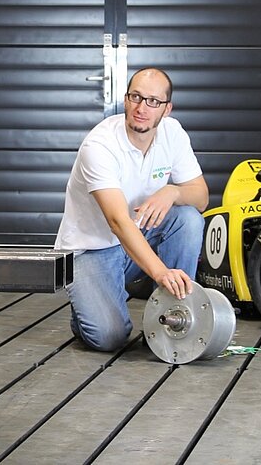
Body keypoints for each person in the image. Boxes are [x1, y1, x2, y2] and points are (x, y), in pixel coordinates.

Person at [55, 68, 208, 352]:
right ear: (125, 100)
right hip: (91, 250)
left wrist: (172, 191)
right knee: (110, 337)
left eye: (153, 101)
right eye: (135, 97)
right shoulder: (100, 145)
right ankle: (86, 310)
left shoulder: (173, 133)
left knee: (187, 218)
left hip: (135, 240)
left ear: (167, 109)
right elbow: (117, 221)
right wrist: (161, 273)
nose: (142, 108)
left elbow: (201, 198)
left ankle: (176, 311)